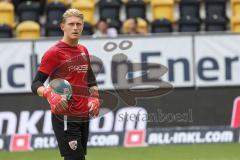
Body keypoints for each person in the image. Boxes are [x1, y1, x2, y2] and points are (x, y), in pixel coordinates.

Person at [31, 8, 100, 160]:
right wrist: (49, 93)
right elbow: (36, 83)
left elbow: (91, 80)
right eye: (71, 24)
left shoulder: (83, 50)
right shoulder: (54, 53)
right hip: (66, 117)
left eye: (78, 24)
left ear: (82, 26)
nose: (75, 28)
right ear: (63, 26)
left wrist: (94, 97)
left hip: (83, 116)